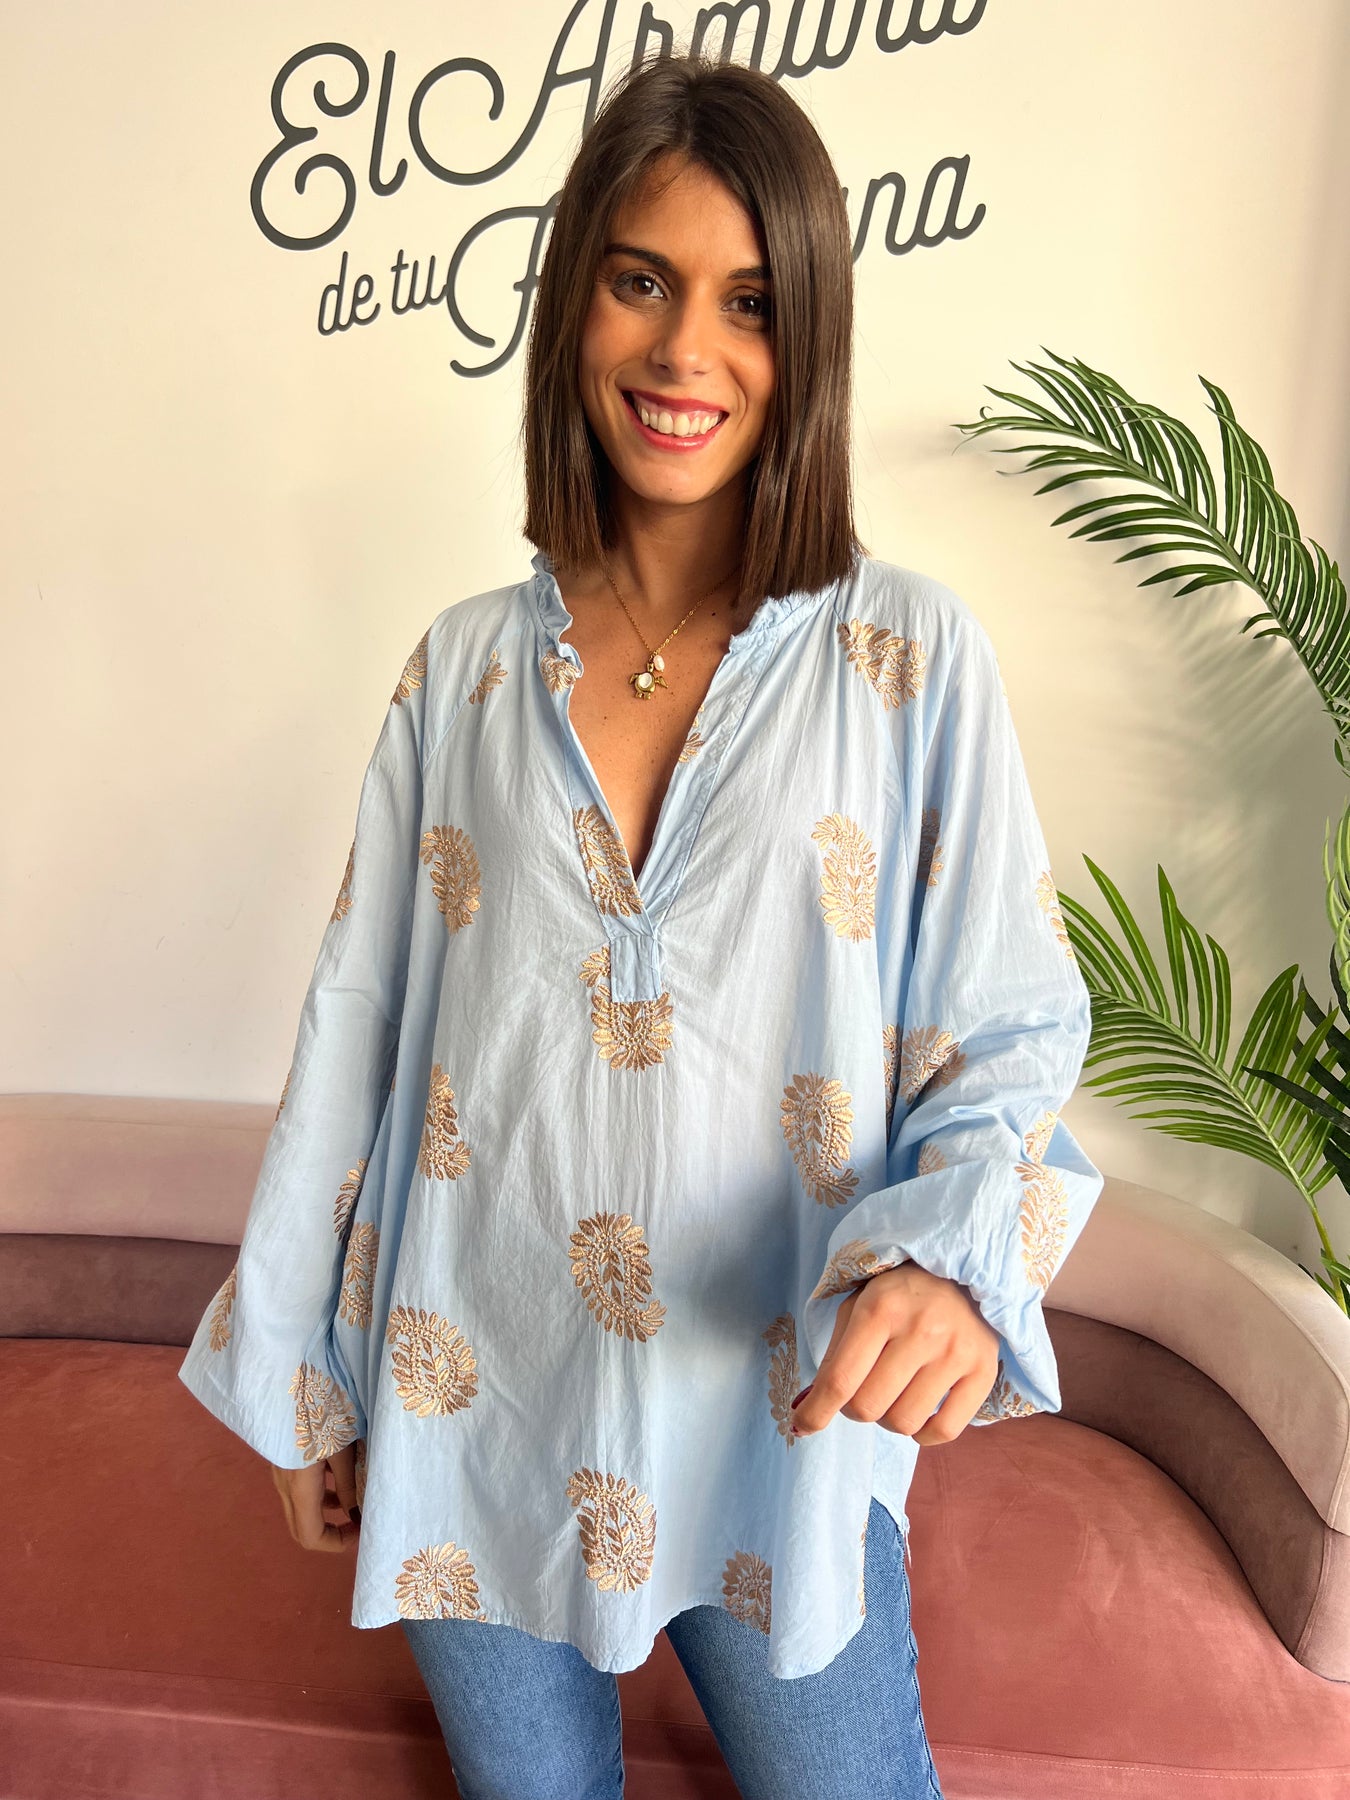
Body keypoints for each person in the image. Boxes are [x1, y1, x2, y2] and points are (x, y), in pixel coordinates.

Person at [178, 48, 1104, 1800]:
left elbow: (1005, 1022)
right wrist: (305, 1366)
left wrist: (950, 1263)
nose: (687, 351)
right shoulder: (461, 671)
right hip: (468, 1399)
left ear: (809, 338)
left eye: (749, 302)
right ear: (572, 307)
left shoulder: (904, 658)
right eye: (639, 281)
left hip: (778, 1416)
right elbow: (358, 1022)